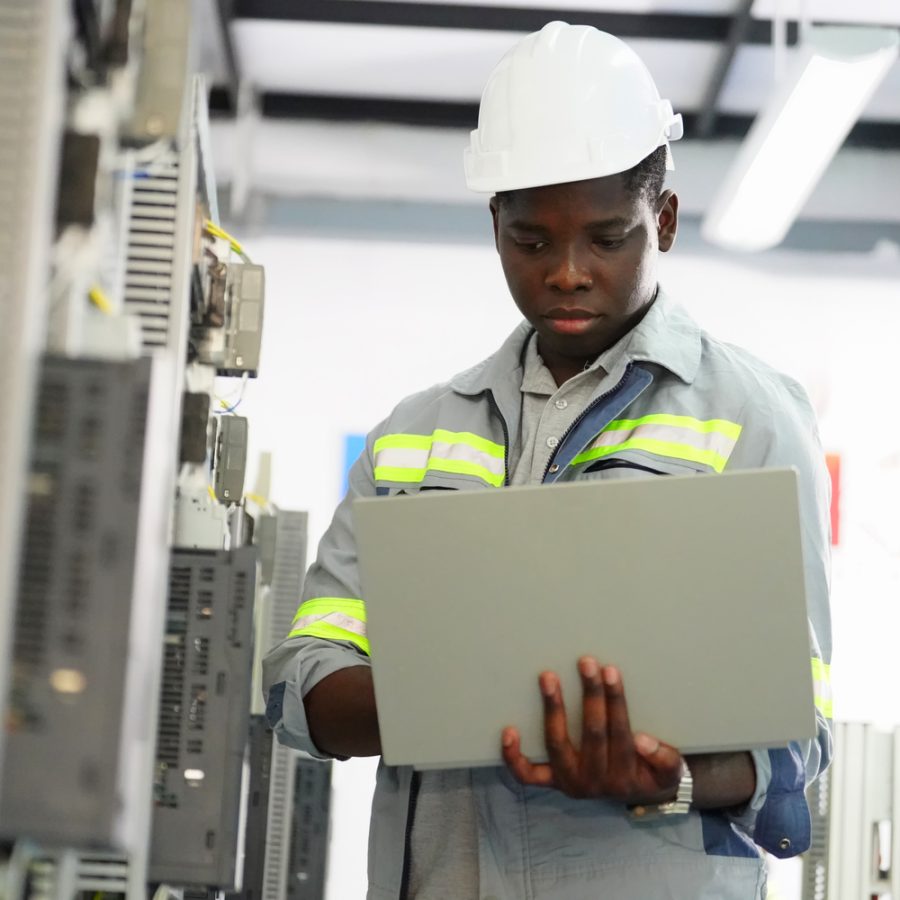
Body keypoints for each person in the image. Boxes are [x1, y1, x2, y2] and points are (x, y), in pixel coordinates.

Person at [263, 21, 833, 900]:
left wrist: (664, 775)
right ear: (497, 226)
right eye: (533, 241)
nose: (567, 272)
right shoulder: (411, 435)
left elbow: (798, 754)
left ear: (665, 221)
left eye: (608, 238)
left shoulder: (751, 419)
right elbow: (306, 687)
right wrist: (463, 687)